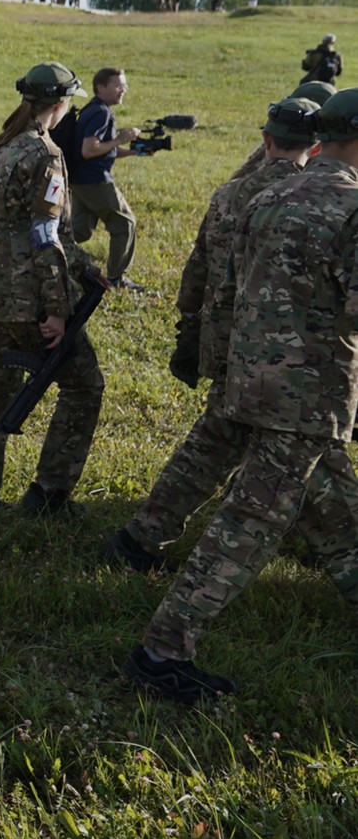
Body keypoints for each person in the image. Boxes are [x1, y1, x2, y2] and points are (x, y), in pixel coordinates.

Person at [124, 90, 358, 701]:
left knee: (332, 498)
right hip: (306, 395)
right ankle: (162, 650)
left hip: (250, 380)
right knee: (251, 519)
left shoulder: (267, 194)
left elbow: (229, 287)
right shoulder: (352, 208)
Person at [110, 99, 320, 574]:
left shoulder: (230, 195)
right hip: (289, 361)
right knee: (305, 463)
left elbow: (196, 276)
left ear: (266, 140)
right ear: (318, 147)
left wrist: (190, 339)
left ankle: (140, 537)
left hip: (227, 348)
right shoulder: (313, 202)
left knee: (211, 446)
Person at [0, 63, 104, 516]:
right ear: (61, 105)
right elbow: (44, 235)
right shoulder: (46, 155)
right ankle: (50, 494)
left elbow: (28, 227)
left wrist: (84, 265)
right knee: (84, 387)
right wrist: (58, 309)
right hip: (30, 305)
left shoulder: (3, 147)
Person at [67, 67, 143, 291]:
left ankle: (42, 255)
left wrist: (132, 151)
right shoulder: (101, 112)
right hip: (95, 180)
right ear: (101, 87)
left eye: (125, 86)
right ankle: (116, 278)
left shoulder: (94, 109)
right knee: (124, 223)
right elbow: (89, 150)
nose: (123, 90)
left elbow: (102, 149)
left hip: (80, 180)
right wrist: (121, 138)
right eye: (118, 86)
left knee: (80, 230)